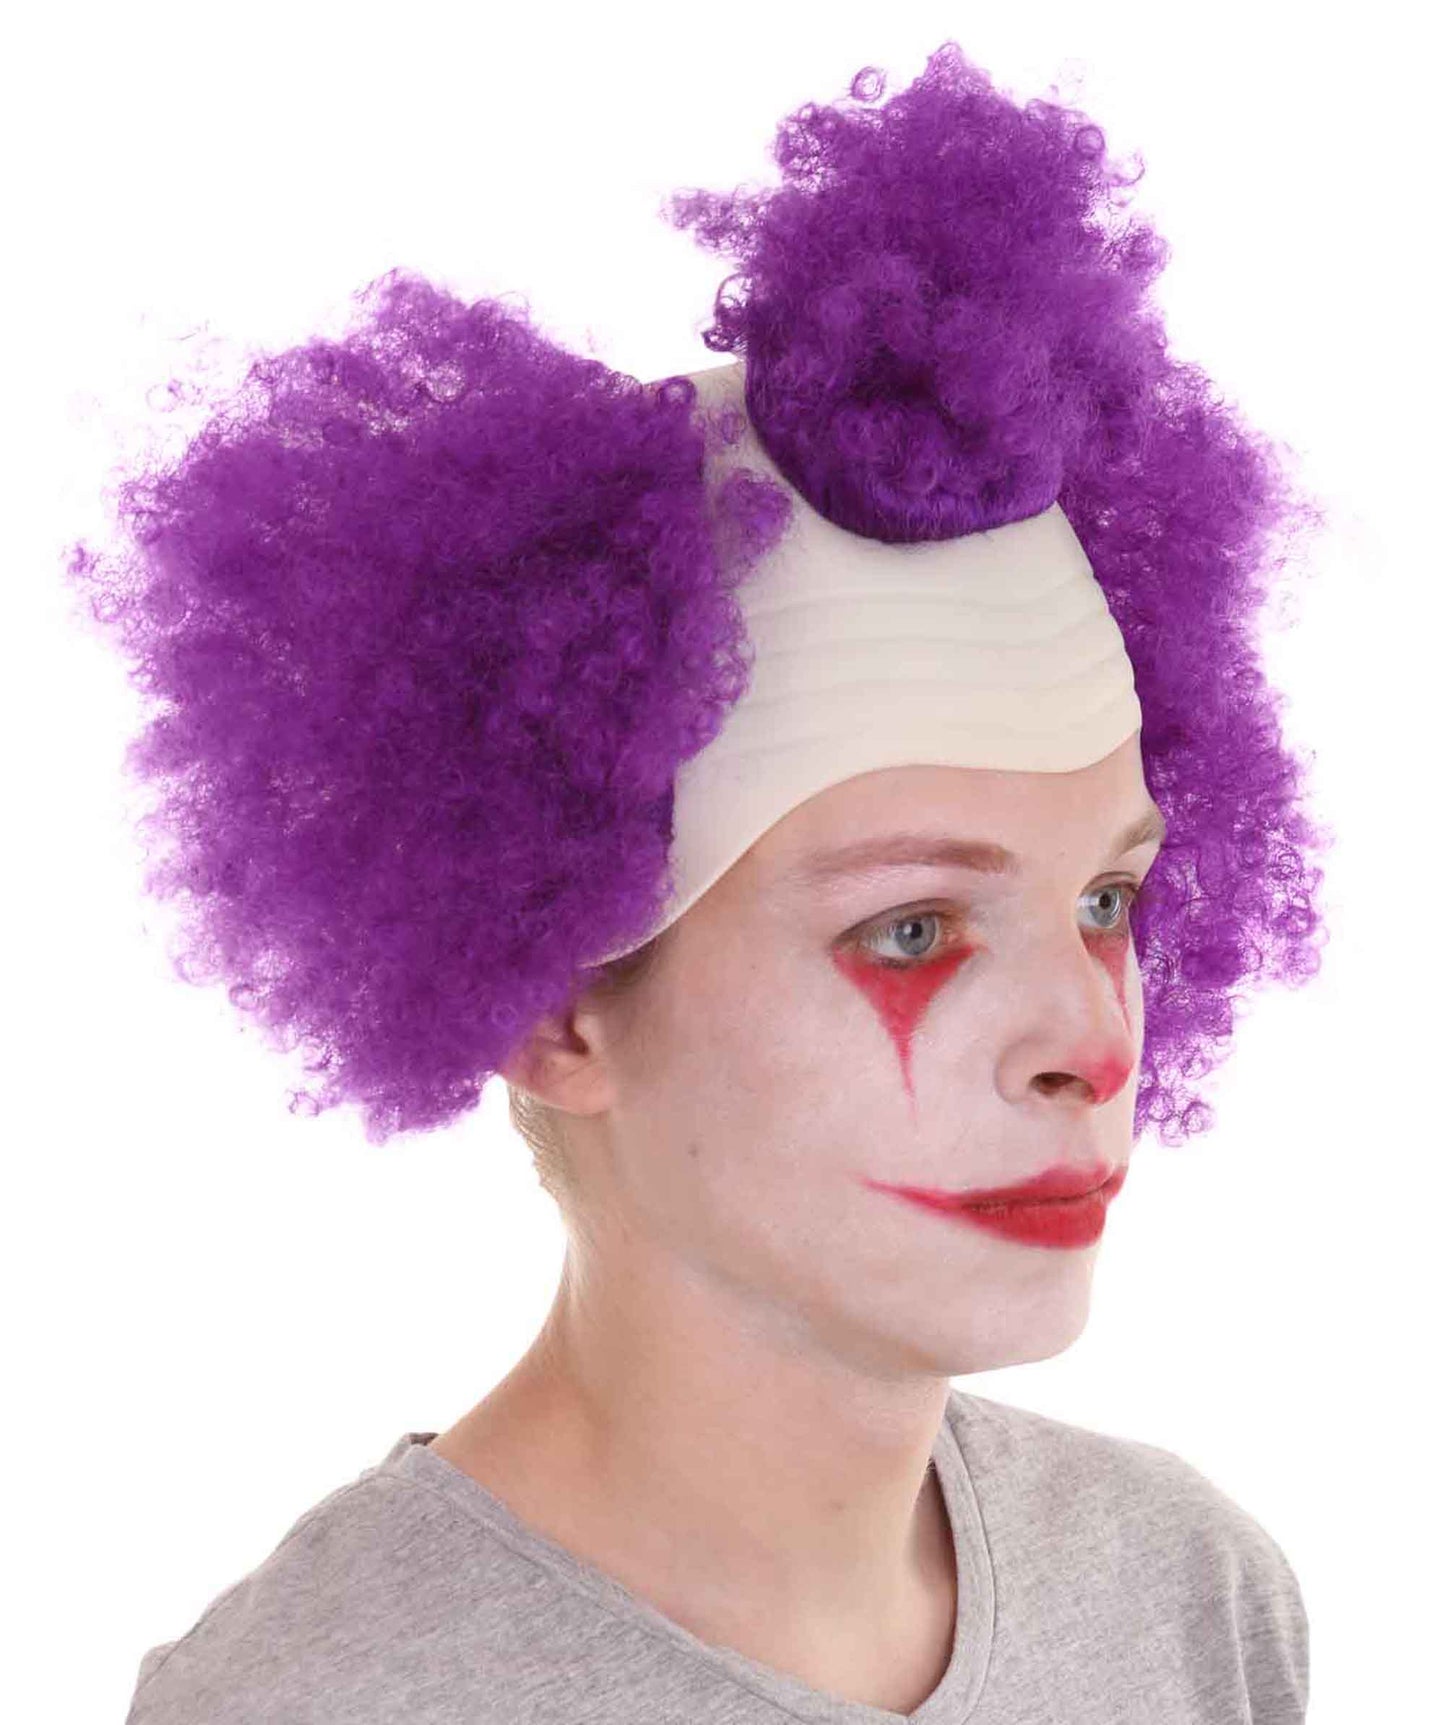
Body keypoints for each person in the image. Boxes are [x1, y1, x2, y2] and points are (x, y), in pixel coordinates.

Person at [67, 40, 1329, 1725]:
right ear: (559, 1003)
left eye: (1104, 901)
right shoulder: (319, 1703)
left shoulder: (1184, 1591)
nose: (1091, 1046)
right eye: (911, 927)